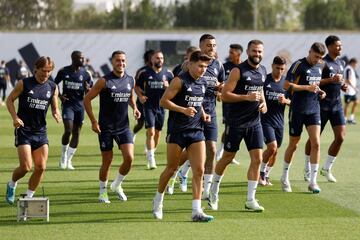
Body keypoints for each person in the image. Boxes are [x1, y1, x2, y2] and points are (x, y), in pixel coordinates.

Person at [152, 50, 214, 222]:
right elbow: (163, 102)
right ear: (190, 63)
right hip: (177, 131)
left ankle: (196, 211)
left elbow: (197, 100)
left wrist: (202, 113)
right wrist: (182, 110)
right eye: (200, 66)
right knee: (171, 168)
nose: (203, 70)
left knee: (199, 170)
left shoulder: (202, 82)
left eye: (206, 67)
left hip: (196, 131)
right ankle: (158, 200)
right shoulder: (179, 80)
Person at [208, 39, 267, 212]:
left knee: (258, 159)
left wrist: (264, 103)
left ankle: (250, 199)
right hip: (236, 123)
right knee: (226, 158)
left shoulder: (263, 71)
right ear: (248, 52)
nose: (257, 54)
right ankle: (213, 191)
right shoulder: (237, 71)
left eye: (260, 51)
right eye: (254, 51)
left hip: (255, 122)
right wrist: (246, 98)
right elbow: (225, 95)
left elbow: (260, 90)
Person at [84, 50, 140, 204]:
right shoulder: (104, 81)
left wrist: (134, 108)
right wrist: (94, 121)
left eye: (123, 61)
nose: (120, 63)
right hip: (106, 128)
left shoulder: (130, 80)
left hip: (124, 127)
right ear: (112, 62)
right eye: (117, 61)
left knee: (129, 158)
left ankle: (117, 185)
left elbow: (130, 96)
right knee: (107, 161)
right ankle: (102, 192)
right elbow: (87, 100)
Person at [5, 56, 61, 204]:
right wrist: (15, 117)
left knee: (41, 167)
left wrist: (56, 113)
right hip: (24, 130)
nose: (46, 74)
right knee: (26, 167)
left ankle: (28, 198)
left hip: (41, 132)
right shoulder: (24, 83)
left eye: (49, 71)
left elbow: (54, 106)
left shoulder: (53, 87)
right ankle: (12, 184)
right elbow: (9, 100)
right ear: (36, 68)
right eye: (44, 70)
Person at [280, 42, 327, 194]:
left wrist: (320, 91)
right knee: (294, 144)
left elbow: (315, 84)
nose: (317, 60)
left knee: (316, 144)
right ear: (309, 52)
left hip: (314, 109)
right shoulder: (298, 65)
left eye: (320, 58)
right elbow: (287, 85)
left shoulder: (320, 66)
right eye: (315, 56)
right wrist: (307, 87)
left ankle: (313, 182)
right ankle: (285, 176)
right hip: (297, 109)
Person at [303, 36, 347, 183]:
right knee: (315, 139)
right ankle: (308, 168)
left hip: (336, 106)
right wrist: (331, 80)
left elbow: (339, 80)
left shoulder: (341, 63)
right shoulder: (322, 63)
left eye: (340, 46)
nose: (340, 48)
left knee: (340, 137)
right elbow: (315, 80)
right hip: (321, 105)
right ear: (329, 47)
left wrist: (342, 85)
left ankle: (327, 168)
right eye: (337, 46)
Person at [196, 34, 225, 200]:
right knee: (192, 153)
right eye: (208, 45)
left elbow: (220, 85)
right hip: (193, 113)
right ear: (201, 46)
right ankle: (179, 173)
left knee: (212, 150)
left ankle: (206, 190)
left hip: (211, 112)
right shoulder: (191, 64)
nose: (211, 48)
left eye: (214, 45)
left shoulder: (218, 65)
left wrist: (220, 91)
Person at [135, 51, 173, 169]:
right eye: (157, 58)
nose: (159, 60)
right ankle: (151, 159)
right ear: (152, 60)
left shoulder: (168, 74)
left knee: (157, 134)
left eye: (161, 58)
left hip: (162, 107)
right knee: (150, 132)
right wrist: (140, 96)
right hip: (149, 106)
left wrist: (168, 88)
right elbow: (136, 86)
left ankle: (151, 152)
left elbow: (175, 89)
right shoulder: (144, 73)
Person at [55, 51, 93, 170]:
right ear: (73, 58)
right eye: (80, 58)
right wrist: (60, 96)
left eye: (83, 58)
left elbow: (90, 90)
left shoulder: (86, 73)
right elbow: (54, 84)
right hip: (68, 105)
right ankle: (63, 156)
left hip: (80, 106)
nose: (82, 60)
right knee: (68, 130)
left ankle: (69, 160)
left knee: (76, 133)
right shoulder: (63, 71)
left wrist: (88, 89)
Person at [258, 56, 290, 186]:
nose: (280, 71)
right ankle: (260, 173)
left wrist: (286, 101)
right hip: (265, 120)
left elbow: (293, 101)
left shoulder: (286, 83)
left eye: (282, 69)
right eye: (277, 68)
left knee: (275, 151)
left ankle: (266, 174)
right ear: (272, 66)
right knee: (272, 147)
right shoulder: (265, 80)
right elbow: (258, 95)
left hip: (280, 122)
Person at [216, 43, 243, 165]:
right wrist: (218, 91)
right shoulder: (225, 66)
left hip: (242, 103)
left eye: (232, 52)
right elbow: (218, 82)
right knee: (228, 127)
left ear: (239, 53)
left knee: (236, 129)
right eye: (229, 52)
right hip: (228, 102)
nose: (230, 55)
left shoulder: (244, 67)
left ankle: (229, 154)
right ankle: (221, 152)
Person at [133, 49, 155, 142]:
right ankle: (132, 135)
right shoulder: (142, 71)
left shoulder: (160, 71)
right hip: (143, 101)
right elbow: (135, 84)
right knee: (140, 123)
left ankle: (148, 146)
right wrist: (140, 95)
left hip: (155, 103)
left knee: (152, 126)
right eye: (152, 56)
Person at [343, 58, 358, 124]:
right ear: (352, 62)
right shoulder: (348, 69)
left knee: (356, 102)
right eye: (355, 64)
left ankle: (351, 118)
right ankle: (344, 118)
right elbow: (347, 80)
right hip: (348, 90)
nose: (356, 65)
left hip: (352, 91)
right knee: (347, 104)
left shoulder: (351, 69)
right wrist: (354, 87)